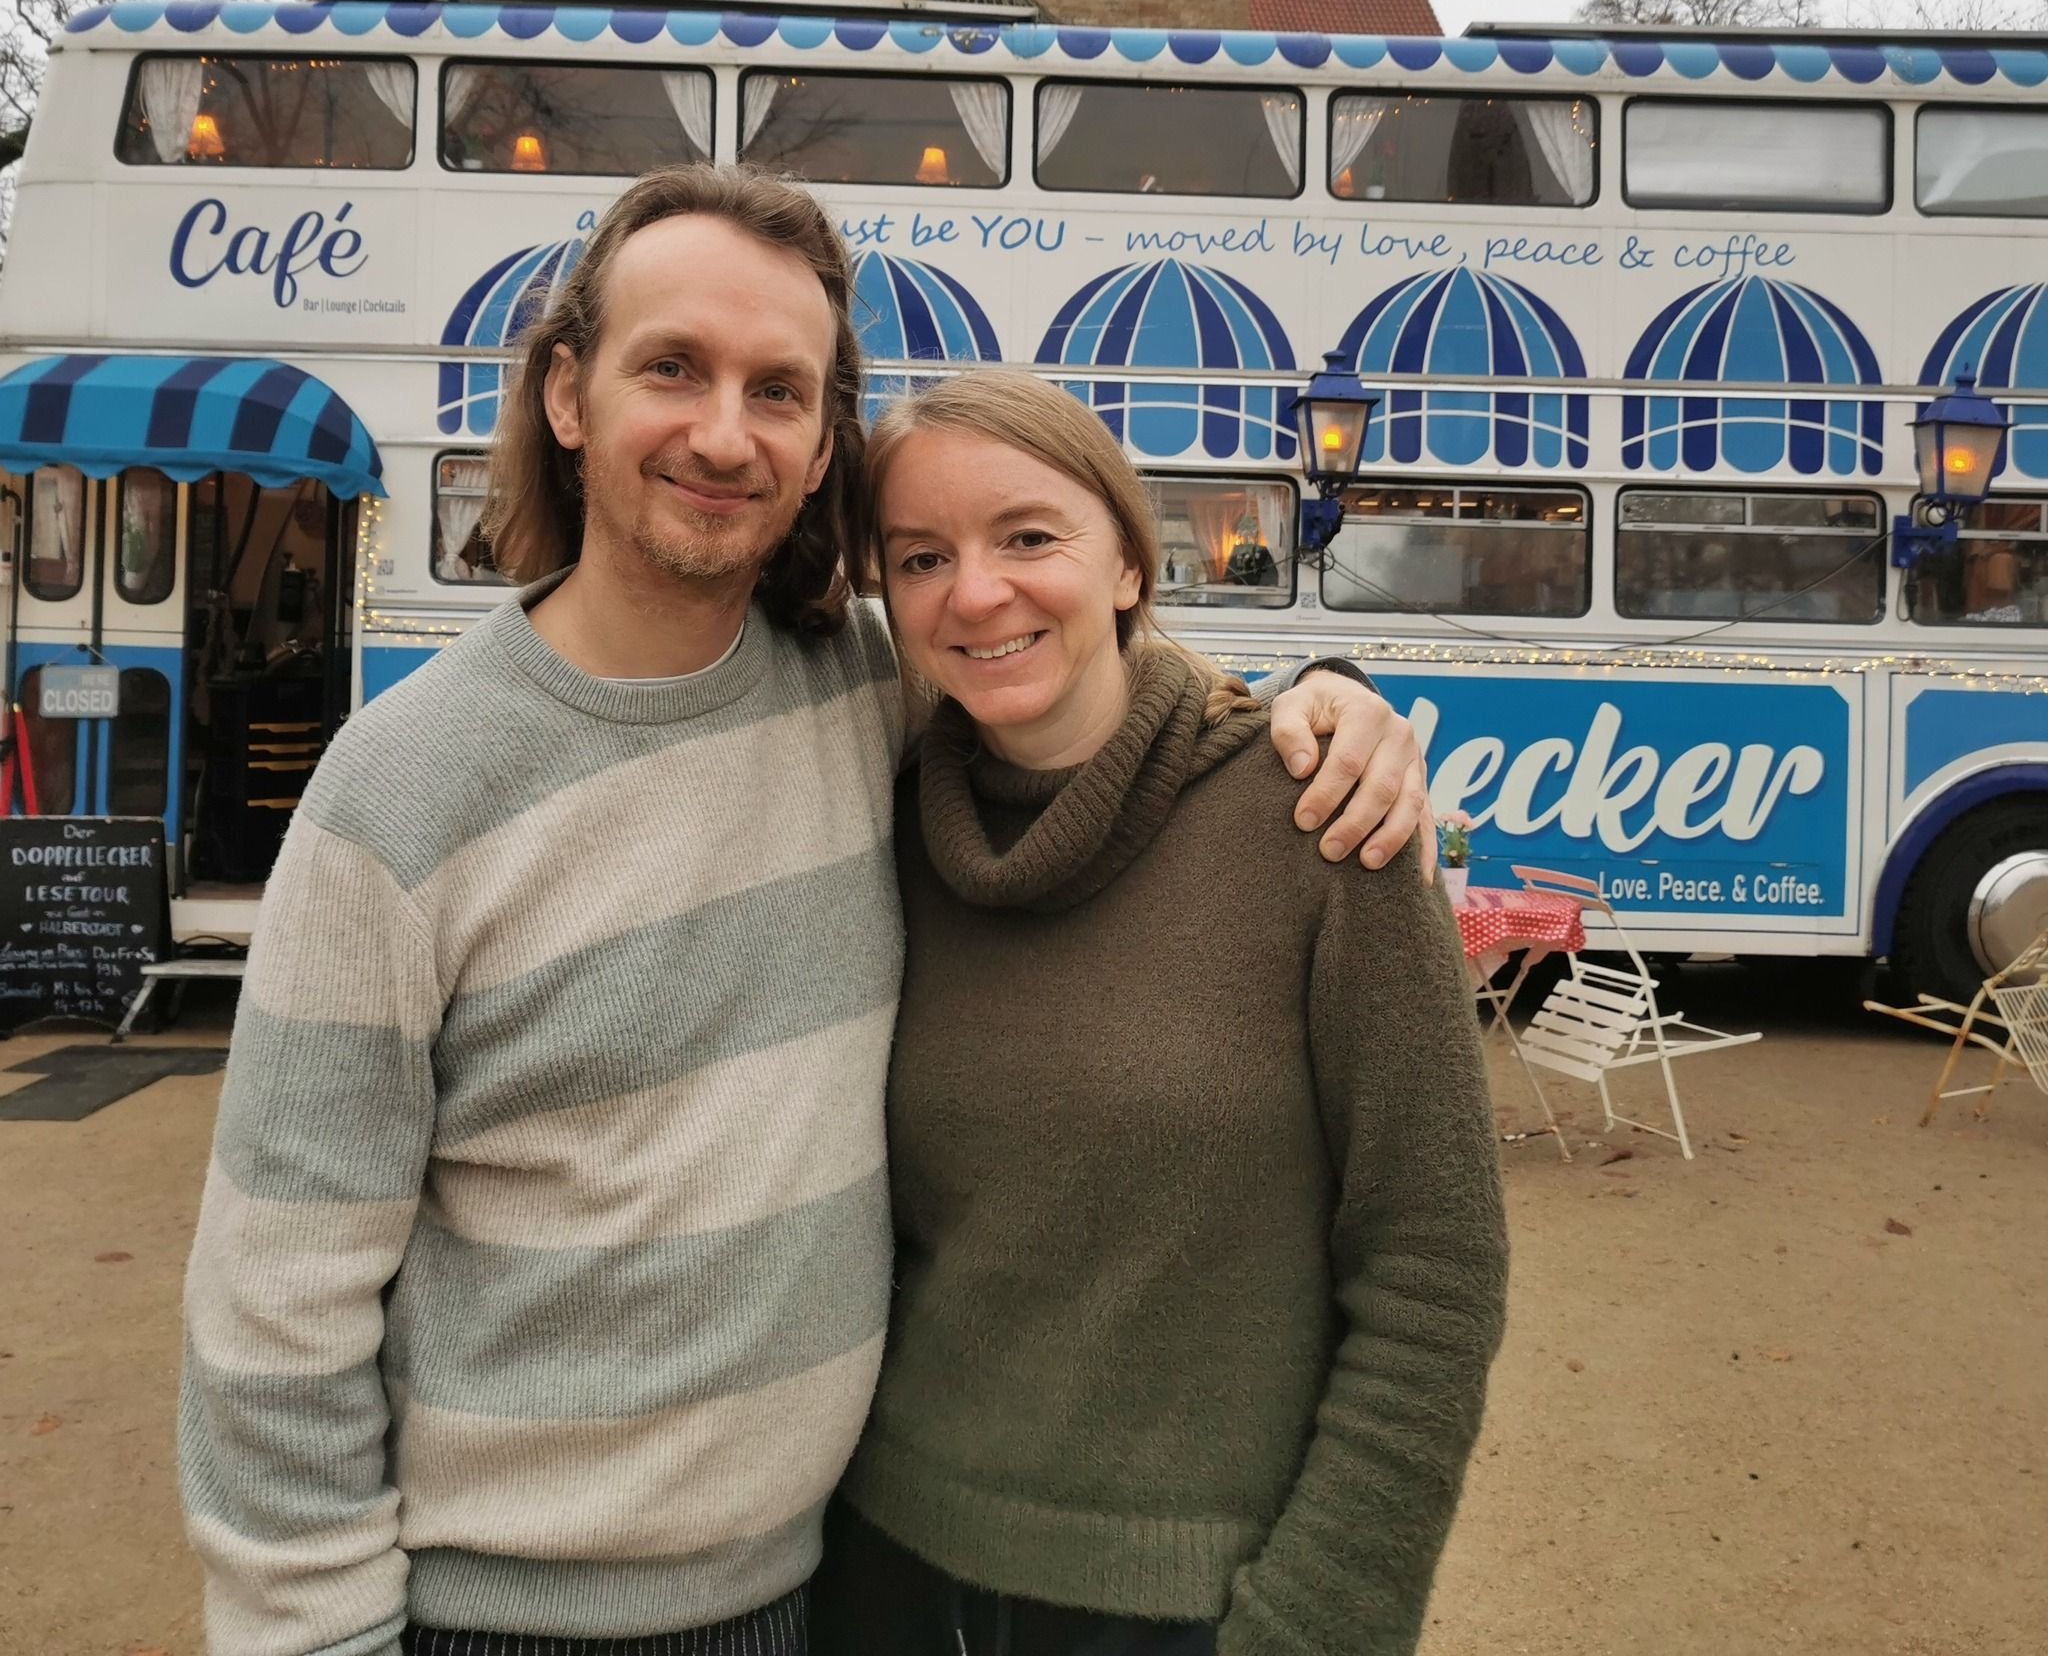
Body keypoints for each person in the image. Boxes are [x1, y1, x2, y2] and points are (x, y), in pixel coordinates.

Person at [178, 164, 1434, 1656]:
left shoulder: (862, 701)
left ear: (822, 438)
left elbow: (1059, 653)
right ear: (568, 395)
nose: (725, 431)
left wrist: (1324, 704)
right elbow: (278, 1307)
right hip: (503, 1620)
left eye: (780, 389)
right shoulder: (396, 794)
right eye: (673, 369)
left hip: (819, 1593)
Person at [815, 368, 1509, 1656]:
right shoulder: (882, 826)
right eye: (920, 557)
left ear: (1131, 564)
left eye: (1030, 536)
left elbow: (1433, 1267)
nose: (976, 592)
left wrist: (1319, 1624)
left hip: (1184, 1604)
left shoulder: (1319, 823)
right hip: (882, 1573)